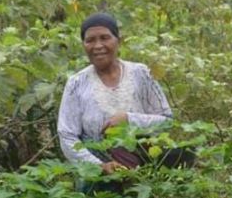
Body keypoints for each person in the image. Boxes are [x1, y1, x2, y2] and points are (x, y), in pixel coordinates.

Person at [57, 12, 172, 172]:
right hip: (97, 174)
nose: (98, 46)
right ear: (83, 45)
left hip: (147, 167)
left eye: (105, 38)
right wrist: (99, 166)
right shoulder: (76, 84)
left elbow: (167, 122)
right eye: (90, 40)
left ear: (118, 41)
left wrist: (129, 119)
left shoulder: (142, 74)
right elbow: (67, 136)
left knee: (184, 154)